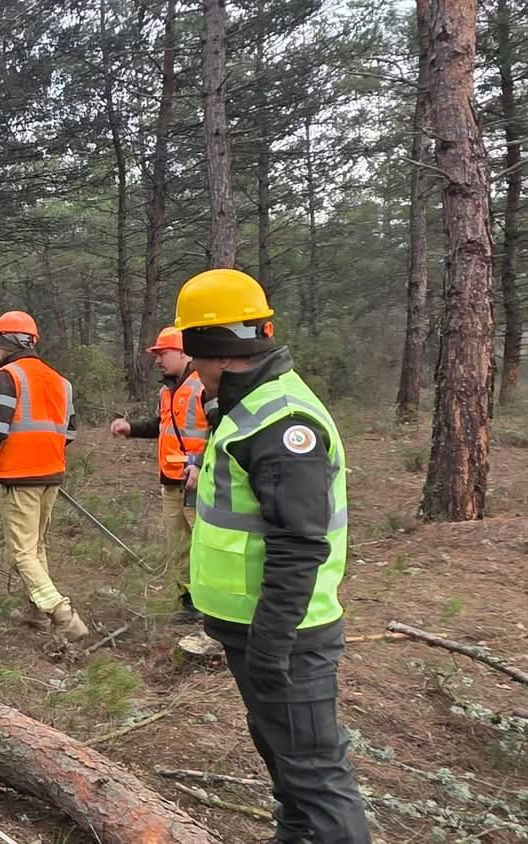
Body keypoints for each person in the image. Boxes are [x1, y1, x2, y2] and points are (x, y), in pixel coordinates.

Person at [177, 268, 369, 844]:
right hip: (253, 626)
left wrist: (272, 643)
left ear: (212, 348)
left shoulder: (281, 419)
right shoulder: (248, 404)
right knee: (287, 770)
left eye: (194, 352)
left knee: (314, 774)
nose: (191, 369)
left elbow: (298, 542)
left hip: (286, 631)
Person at [0, 312, 87, 641]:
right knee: (36, 547)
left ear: (10, 342)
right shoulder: (60, 380)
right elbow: (71, 432)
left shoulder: (9, 376)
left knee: (21, 552)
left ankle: (62, 613)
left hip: (22, 475)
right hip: (52, 473)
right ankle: (36, 613)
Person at [110, 326, 208, 624]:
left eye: (162, 353)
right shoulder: (166, 390)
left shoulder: (206, 385)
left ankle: (212, 605)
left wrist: (201, 463)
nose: (157, 360)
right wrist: (131, 429)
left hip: (198, 481)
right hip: (171, 481)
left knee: (205, 544)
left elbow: (222, 430)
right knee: (178, 546)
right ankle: (188, 602)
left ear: (183, 352)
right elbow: (160, 425)